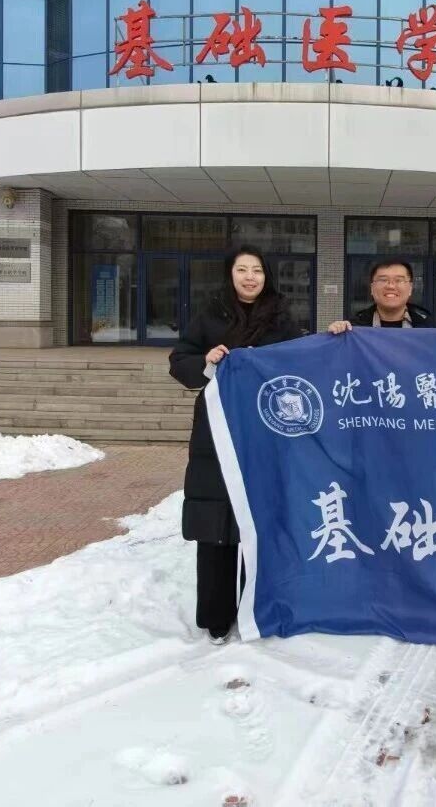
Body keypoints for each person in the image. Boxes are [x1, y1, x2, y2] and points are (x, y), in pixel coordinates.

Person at [169, 246, 303, 644]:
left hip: (265, 430)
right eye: (242, 270)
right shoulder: (210, 314)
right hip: (217, 429)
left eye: (257, 270)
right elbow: (180, 360)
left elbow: (299, 364)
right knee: (216, 519)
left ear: (267, 276)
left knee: (260, 519)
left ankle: (259, 607)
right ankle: (216, 614)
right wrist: (206, 360)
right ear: (230, 275)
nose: (249, 277)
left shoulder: (282, 318)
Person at [326, 258, 436, 336]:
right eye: (383, 280)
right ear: (372, 288)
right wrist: (334, 335)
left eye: (399, 280)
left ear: (410, 288)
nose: (391, 286)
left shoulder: (432, 328)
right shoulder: (353, 329)